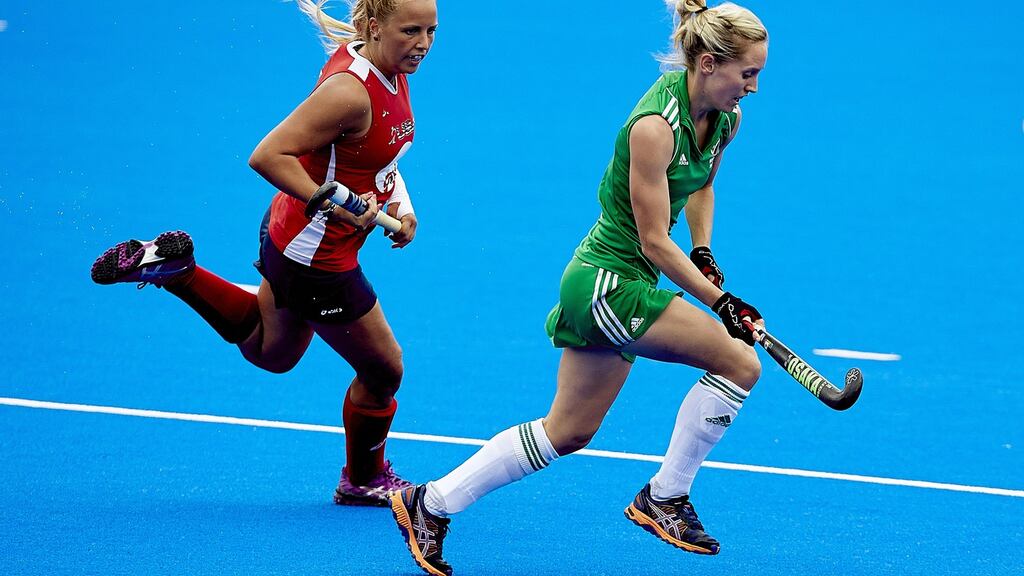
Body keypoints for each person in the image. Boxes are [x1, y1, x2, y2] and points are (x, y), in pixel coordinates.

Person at [389, 1, 769, 573]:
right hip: (608, 284)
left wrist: (704, 251)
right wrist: (722, 303)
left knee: (567, 432)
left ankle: (431, 503)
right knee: (740, 362)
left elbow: (702, 187)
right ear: (710, 63)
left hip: (626, 280)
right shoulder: (654, 129)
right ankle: (664, 497)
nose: (754, 87)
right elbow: (651, 242)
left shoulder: (726, 117)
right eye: (748, 74)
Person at [89, 0, 439, 507]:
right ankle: (363, 480)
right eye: (411, 30)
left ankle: (180, 272)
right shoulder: (349, 92)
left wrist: (402, 206)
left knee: (274, 353)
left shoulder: (386, 66)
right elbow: (268, 153)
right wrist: (331, 203)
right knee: (385, 369)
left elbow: (370, 158)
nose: (424, 43)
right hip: (316, 257)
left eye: (431, 30)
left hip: (291, 235)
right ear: (375, 25)